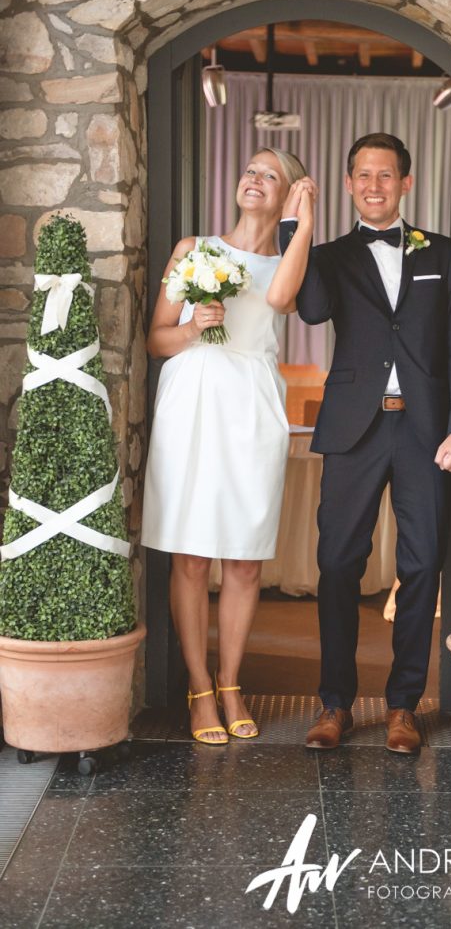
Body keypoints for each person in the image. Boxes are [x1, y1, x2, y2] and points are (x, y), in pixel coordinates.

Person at [271, 133, 451, 754]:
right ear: (348, 183)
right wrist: (295, 226)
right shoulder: (330, 256)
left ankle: (402, 707)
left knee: (421, 566)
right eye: (362, 174)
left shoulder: (442, 253)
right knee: (337, 565)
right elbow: (308, 311)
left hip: (425, 432)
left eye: (385, 175)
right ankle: (334, 703)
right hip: (353, 430)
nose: (373, 185)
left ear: (405, 183)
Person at [141, 147, 309, 746]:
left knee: (243, 557)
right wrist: (192, 326)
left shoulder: (290, 263)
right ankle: (198, 686)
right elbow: (156, 339)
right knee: (189, 554)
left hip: (253, 407)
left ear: (289, 191)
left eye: (270, 174)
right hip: (193, 398)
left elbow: (285, 301)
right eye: (249, 170)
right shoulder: (192, 250)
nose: (253, 179)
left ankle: (232, 681)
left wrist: (305, 223)